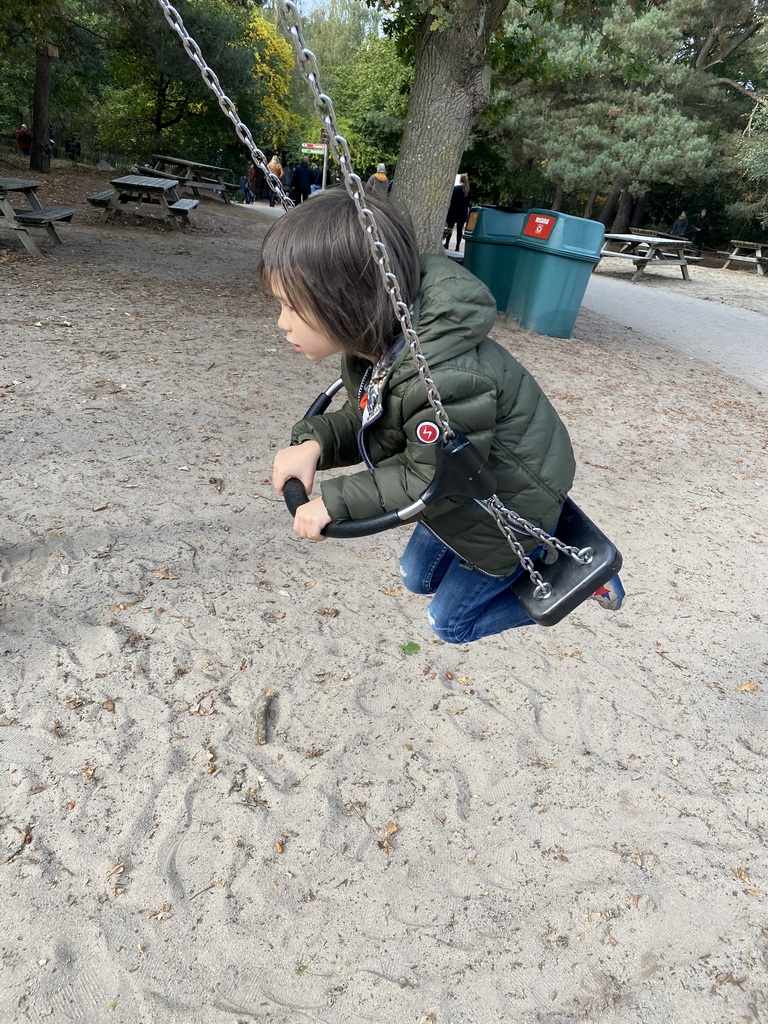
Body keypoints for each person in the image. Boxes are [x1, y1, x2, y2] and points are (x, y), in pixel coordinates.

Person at [260, 190, 625, 644]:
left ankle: (585, 582)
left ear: (348, 302)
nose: (282, 322)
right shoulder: (377, 344)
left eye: (292, 306)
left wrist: (335, 501)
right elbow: (376, 416)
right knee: (416, 578)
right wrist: (316, 442)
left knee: (449, 624)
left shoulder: (443, 377)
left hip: (508, 503)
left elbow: (429, 476)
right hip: (470, 485)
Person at [445, 173, 472, 251]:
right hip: (463, 211)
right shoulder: (468, 191)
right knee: (460, 229)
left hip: (454, 209)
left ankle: (447, 243)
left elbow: (451, 199)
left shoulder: (455, 189)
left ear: (460, 180)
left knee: (450, 227)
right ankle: (457, 246)